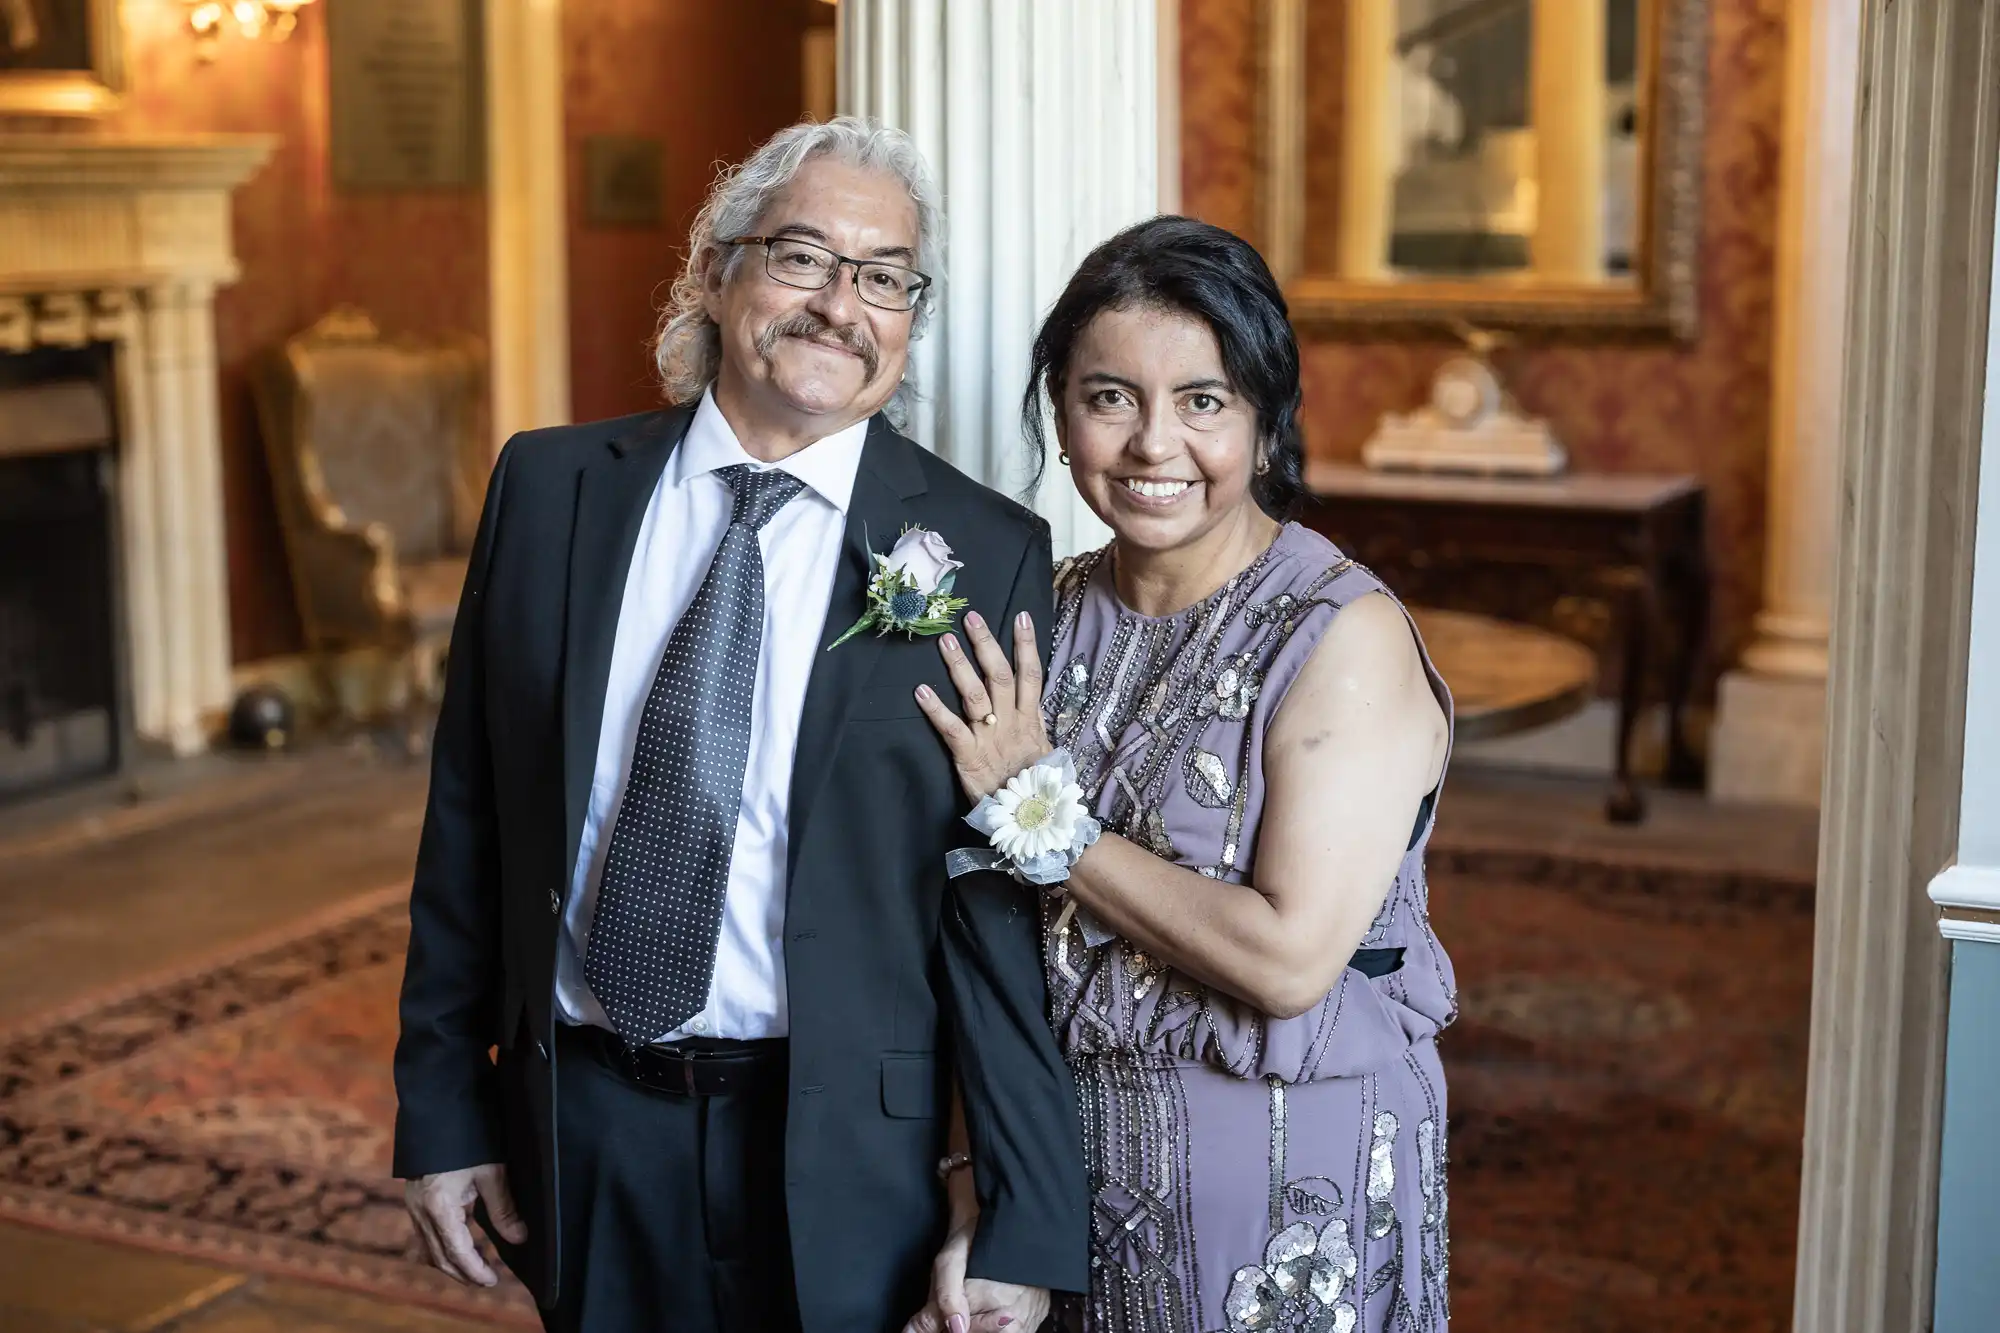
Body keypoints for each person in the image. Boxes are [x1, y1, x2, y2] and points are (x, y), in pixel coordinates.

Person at [393, 117, 1088, 1333]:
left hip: (844, 1149)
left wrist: (1010, 1207)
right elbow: (470, 824)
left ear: (909, 318)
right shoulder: (549, 489)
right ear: (717, 272)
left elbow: (994, 908)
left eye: (883, 278)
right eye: (802, 258)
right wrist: (444, 1112)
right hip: (585, 1124)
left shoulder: (983, 552)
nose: (839, 305)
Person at [907, 216, 1456, 1333]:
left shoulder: (1336, 637)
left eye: (1201, 401)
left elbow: (1288, 957)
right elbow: (974, 945)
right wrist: (979, 1186)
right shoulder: (1043, 619)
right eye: (1109, 396)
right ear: (1060, 416)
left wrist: (1041, 821)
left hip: (1282, 1203)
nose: (1153, 443)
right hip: (1061, 1191)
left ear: (1262, 421)